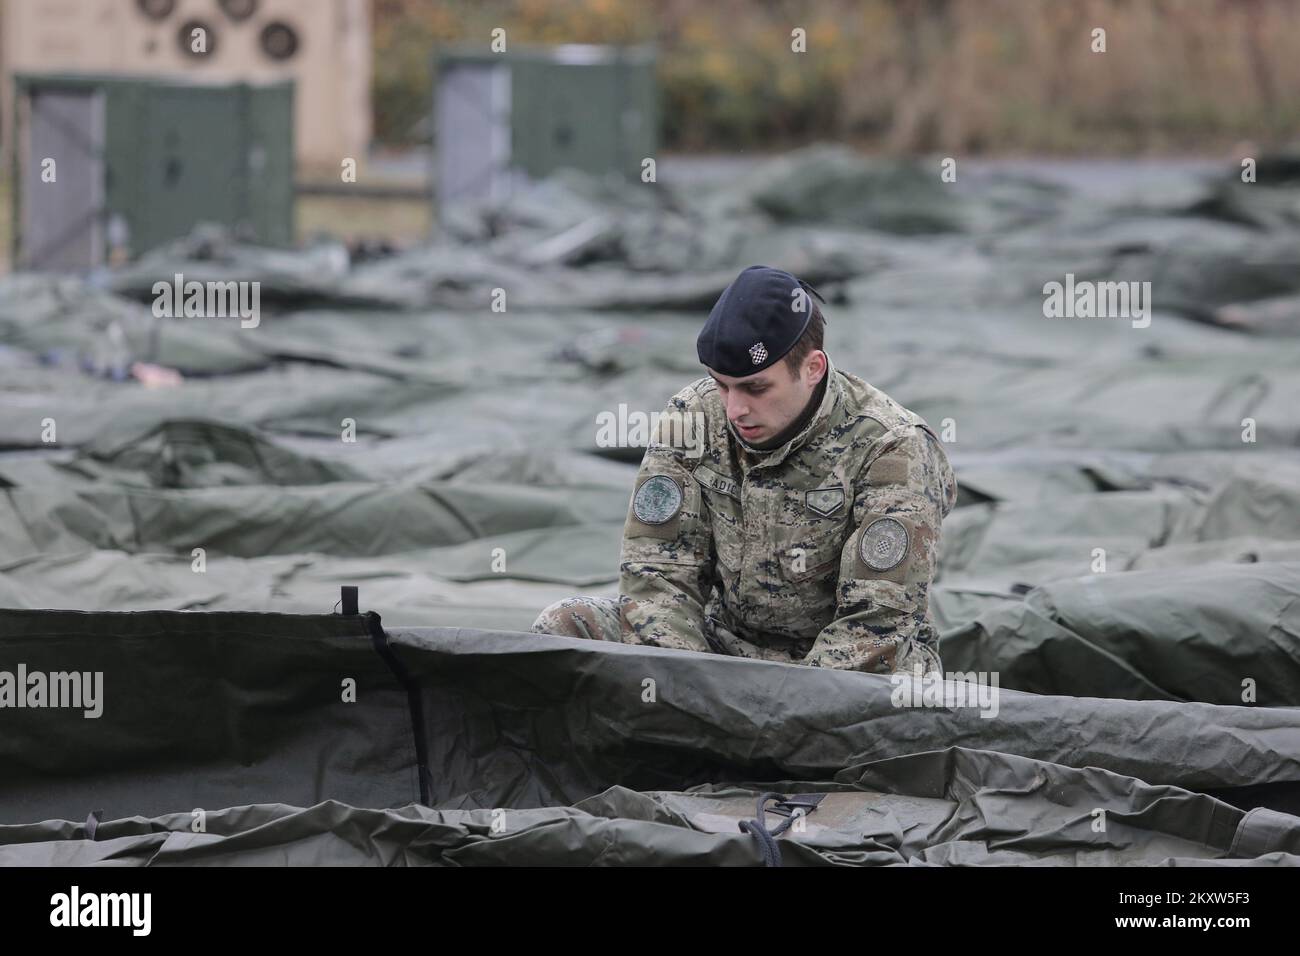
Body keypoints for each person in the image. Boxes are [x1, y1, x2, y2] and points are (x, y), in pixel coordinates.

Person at [532, 264, 956, 675]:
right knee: (566, 625)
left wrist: (771, 710)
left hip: (844, 674)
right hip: (719, 653)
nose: (735, 409)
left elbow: (874, 623)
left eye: (756, 387)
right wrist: (694, 685)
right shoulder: (693, 418)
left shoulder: (892, 447)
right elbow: (657, 576)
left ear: (813, 369)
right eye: (722, 384)